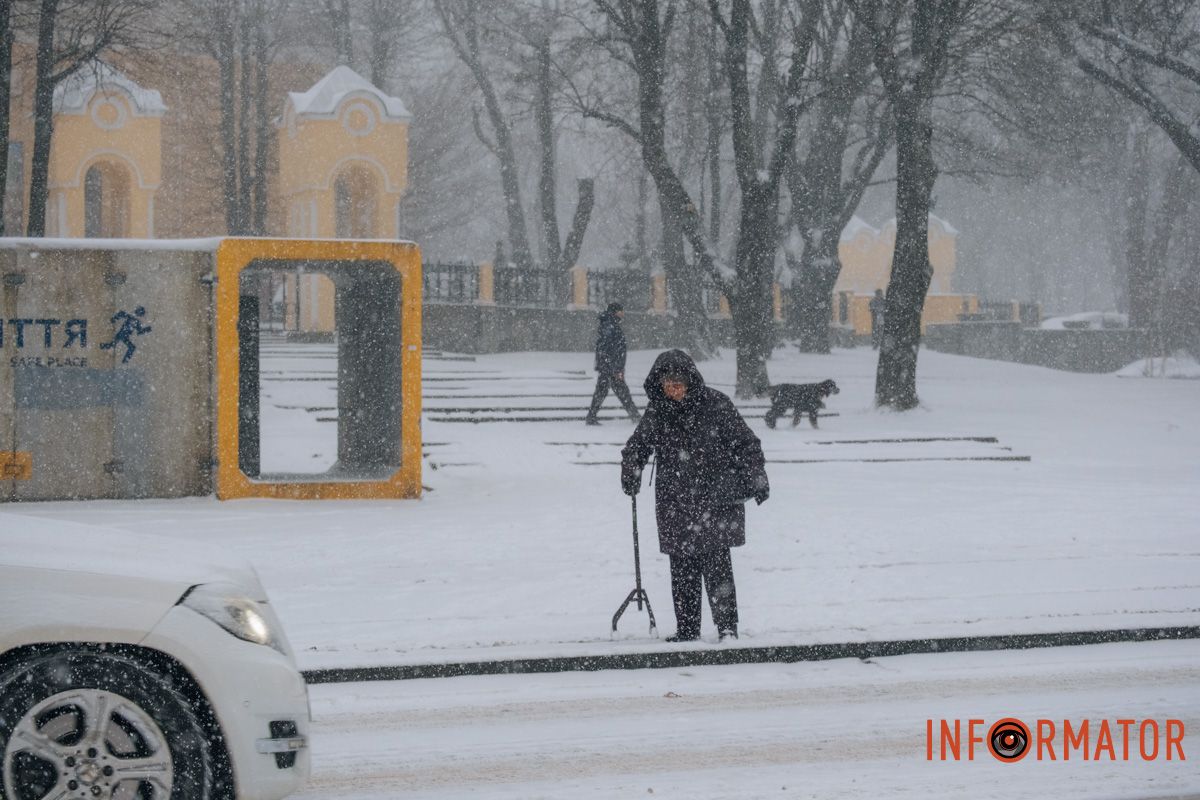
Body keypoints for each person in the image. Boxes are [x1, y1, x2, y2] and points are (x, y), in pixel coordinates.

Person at [620, 349, 768, 642]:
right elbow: (637, 446)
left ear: (690, 381)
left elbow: (747, 443)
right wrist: (631, 469)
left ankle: (727, 628)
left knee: (717, 567)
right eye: (667, 385)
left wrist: (755, 476)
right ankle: (688, 630)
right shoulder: (657, 411)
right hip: (675, 501)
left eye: (678, 384)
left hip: (714, 499)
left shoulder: (716, 405)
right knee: (682, 569)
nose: (673, 391)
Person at [585, 302, 641, 425]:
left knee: (606, 391)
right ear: (615, 312)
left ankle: (591, 416)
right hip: (611, 367)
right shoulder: (610, 325)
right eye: (621, 311)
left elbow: (609, 348)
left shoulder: (610, 324)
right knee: (621, 392)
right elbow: (609, 349)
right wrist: (617, 369)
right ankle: (635, 417)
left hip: (609, 367)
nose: (623, 313)